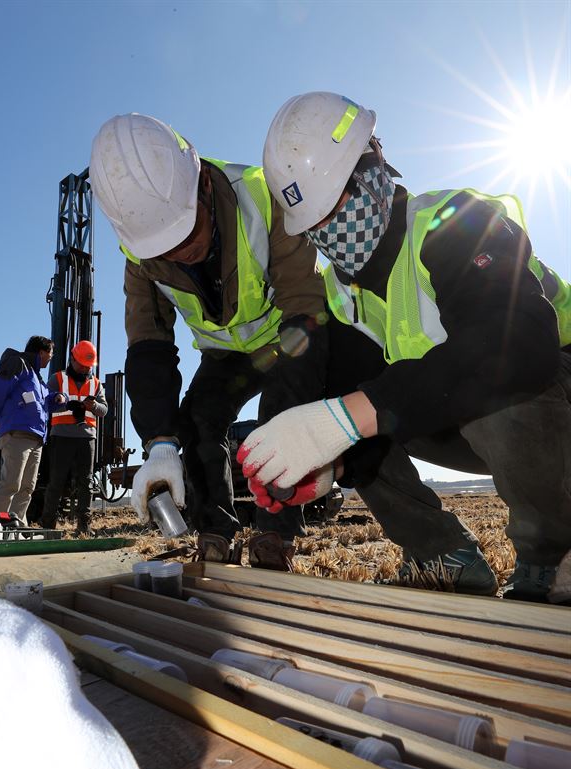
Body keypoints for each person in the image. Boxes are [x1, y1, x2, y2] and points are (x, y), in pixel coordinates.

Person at [239, 91, 571, 602]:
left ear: (373, 167)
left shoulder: (455, 222)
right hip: (476, 416)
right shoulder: (342, 296)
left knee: (484, 369)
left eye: (335, 208)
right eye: (315, 226)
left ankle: (554, 556)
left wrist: (348, 418)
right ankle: (443, 557)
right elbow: (378, 406)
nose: (328, 233)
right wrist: (336, 463)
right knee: (355, 408)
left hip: (553, 392)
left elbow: (522, 348)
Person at [89, 113, 329, 568]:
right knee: (197, 421)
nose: (180, 253)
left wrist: (295, 409)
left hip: (287, 334)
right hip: (226, 356)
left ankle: (276, 537)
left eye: (185, 232)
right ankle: (214, 534)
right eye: (165, 248)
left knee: (277, 419)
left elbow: (307, 306)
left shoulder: (263, 197)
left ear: (202, 187)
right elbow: (149, 344)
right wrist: (159, 442)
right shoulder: (138, 255)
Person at [0, 335, 67, 527]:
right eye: (51, 353)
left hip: (36, 437)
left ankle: (16, 525)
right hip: (17, 434)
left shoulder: (36, 377)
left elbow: (45, 400)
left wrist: (58, 398)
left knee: (27, 487)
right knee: (11, 482)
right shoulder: (18, 364)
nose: (51, 357)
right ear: (42, 352)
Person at [40, 340, 108, 535]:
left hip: (87, 438)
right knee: (56, 481)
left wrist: (92, 406)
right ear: (72, 359)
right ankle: (48, 527)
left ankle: (84, 527)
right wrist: (64, 404)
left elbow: (103, 410)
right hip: (62, 436)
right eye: (82, 364)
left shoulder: (96, 383)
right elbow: (45, 402)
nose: (85, 368)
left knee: (86, 483)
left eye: (88, 365)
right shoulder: (57, 379)